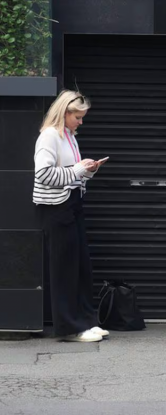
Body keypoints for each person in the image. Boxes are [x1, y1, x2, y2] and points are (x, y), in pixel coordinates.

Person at [33, 90, 109, 343]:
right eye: (77, 116)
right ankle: (69, 328)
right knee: (64, 270)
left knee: (80, 267)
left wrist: (87, 171)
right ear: (64, 112)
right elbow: (43, 174)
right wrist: (77, 170)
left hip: (71, 204)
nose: (81, 121)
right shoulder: (49, 136)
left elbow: (71, 175)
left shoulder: (69, 136)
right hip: (56, 208)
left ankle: (86, 321)